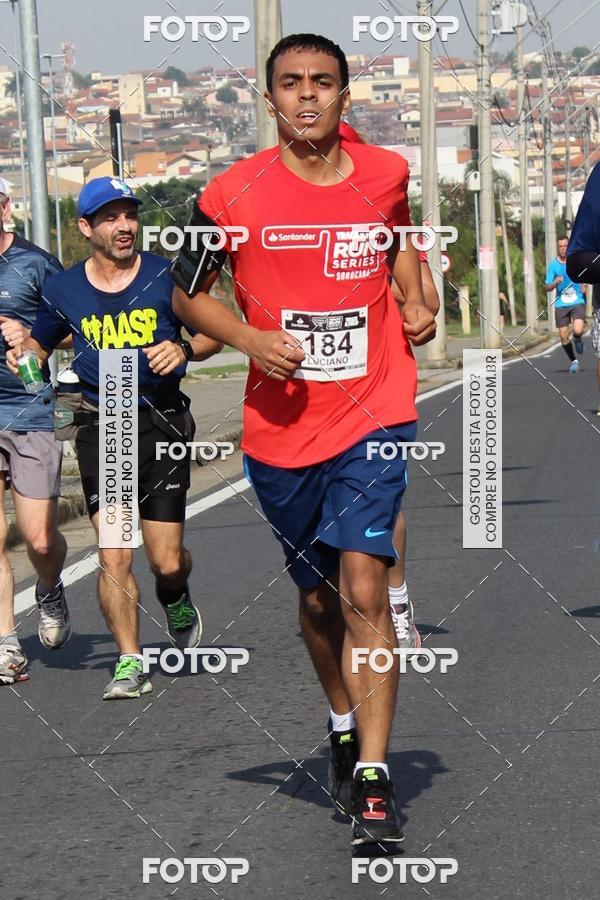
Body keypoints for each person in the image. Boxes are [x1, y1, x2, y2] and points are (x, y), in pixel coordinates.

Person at [171, 34, 436, 845]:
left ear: (345, 97)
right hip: (282, 427)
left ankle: (376, 778)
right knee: (319, 600)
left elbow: (397, 243)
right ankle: (342, 721)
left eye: (323, 81)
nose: (308, 94)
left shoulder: (385, 172)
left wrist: (417, 300)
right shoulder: (230, 193)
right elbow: (185, 295)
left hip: (374, 409)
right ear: (270, 99)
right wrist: (250, 339)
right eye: (291, 83)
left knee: (364, 585)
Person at [8, 177, 222, 700]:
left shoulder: (164, 275)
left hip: (162, 420)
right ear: (86, 227)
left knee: (165, 560)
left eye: (130, 215)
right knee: (115, 553)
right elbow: (42, 342)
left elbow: (216, 332)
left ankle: (175, 594)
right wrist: (26, 353)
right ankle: (130, 660)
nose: (124, 226)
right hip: (105, 425)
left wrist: (185, 350)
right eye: (110, 217)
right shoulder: (64, 289)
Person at [339, 121, 440, 652]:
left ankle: (395, 601)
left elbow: (427, 298)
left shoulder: (387, 214)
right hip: (304, 395)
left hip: (377, 385)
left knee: (380, 502)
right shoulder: (289, 217)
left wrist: (403, 299)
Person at [0, 177, 70, 686]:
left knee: (40, 539)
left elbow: (76, 323)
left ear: (5, 207)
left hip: (27, 408)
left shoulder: (34, 262)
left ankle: (49, 587)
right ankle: (6, 642)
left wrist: (30, 335)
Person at [544, 236, 586, 373]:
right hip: (561, 304)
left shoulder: (576, 261)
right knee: (563, 336)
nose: (563, 249)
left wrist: (583, 284)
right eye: (560, 246)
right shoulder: (553, 265)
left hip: (577, 301)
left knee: (578, 330)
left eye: (565, 246)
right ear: (558, 248)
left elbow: (584, 274)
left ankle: (577, 338)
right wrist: (554, 283)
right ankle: (574, 361)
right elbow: (547, 287)